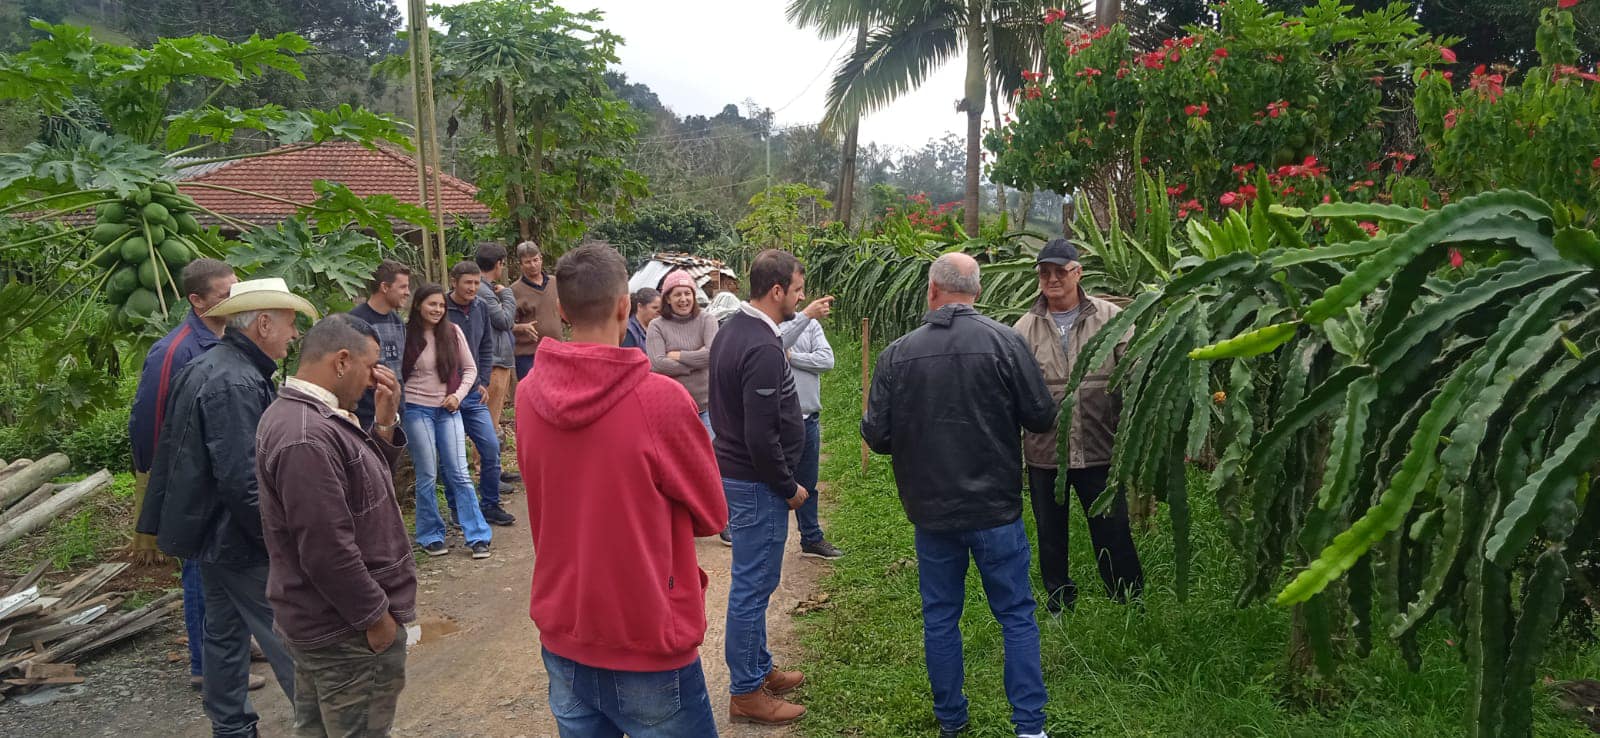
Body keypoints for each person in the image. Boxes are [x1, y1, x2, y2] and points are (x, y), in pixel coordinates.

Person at [516, 242, 727, 736]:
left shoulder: (527, 397)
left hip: (565, 634)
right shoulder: (659, 400)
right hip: (646, 635)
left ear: (562, 310)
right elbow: (713, 514)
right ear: (624, 306)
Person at [860, 253, 1057, 738]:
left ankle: (952, 721)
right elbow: (1041, 417)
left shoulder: (896, 354)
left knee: (941, 618)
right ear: (978, 291)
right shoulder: (1006, 343)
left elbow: (878, 437)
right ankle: (1029, 726)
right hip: (996, 511)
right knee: (1015, 615)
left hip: (931, 512)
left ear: (931, 290)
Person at [136, 277, 318, 738]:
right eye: (289, 325)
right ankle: (323, 726)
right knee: (289, 635)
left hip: (210, 533)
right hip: (236, 536)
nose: (293, 336)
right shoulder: (235, 381)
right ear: (262, 324)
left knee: (222, 634)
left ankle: (231, 726)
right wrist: (275, 540)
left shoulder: (213, 366)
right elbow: (243, 479)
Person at [256, 314, 416, 737]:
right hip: (344, 632)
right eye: (370, 368)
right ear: (342, 361)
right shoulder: (306, 436)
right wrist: (376, 619)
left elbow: (361, 489)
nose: (373, 381)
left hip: (324, 625)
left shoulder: (309, 417)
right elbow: (327, 549)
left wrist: (383, 424)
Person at [124, 259, 245, 691]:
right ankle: (207, 665)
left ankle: (232, 647)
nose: (235, 300)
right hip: (190, 481)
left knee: (229, 562)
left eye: (236, 290)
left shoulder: (230, 340)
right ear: (196, 301)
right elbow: (148, 422)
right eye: (224, 295)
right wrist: (166, 478)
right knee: (199, 569)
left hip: (222, 475)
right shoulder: (174, 352)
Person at [707, 249, 812, 726]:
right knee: (753, 587)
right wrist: (788, 486)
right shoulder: (762, 346)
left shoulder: (736, 330)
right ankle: (746, 693)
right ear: (776, 291)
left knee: (756, 583)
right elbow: (759, 434)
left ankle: (758, 666)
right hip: (756, 484)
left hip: (743, 478)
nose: (801, 297)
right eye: (797, 290)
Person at [1013, 239, 1145, 614]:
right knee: (1050, 533)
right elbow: (1015, 388)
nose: (1052, 279)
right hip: (1044, 451)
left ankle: (1127, 599)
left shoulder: (1111, 317)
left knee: (1112, 526)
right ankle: (1059, 602)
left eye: (1059, 271)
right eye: (1044, 272)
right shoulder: (1024, 328)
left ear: (1077, 272)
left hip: (1099, 443)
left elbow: (1133, 370)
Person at [403, 283, 494, 560]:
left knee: (459, 472)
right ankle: (430, 534)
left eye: (441, 305)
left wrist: (458, 395)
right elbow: (399, 373)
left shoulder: (452, 332)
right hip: (417, 408)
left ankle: (477, 535)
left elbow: (470, 369)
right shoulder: (407, 335)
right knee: (428, 473)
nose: (438, 310)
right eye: (432, 304)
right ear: (418, 305)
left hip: (448, 408)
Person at [445, 261, 515, 527]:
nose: (473, 288)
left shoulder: (481, 307)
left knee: (489, 446)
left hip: (473, 393)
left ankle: (490, 504)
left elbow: (486, 346)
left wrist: (483, 380)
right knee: (452, 456)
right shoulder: (441, 308)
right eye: (468, 283)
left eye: (476, 283)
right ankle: (456, 509)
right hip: (447, 395)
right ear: (454, 282)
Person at [778, 296, 844, 560]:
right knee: (777, 483)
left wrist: (793, 357)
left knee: (808, 482)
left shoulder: (812, 327)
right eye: (797, 290)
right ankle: (771, 542)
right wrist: (805, 315)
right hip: (780, 421)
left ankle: (811, 537)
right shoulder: (772, 325)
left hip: (808, 417)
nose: (801, 297)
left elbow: (827, 361)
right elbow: (775, 344)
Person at [646, 270, 719, 436]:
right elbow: (657, 364)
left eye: (688, 293)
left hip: (706, 407)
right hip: (671, 408)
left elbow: (712, 355)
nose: (684, 299)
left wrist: (678, 355)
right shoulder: (657, 326)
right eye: (677, 294)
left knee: (711, 457)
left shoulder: (707, 320)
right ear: (668, 299)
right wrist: (696, 363)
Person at [475, 243, 523, 485]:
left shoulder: (486, 289)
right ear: (499, 264)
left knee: (492, 419)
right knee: (487, 419)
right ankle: (486, 472)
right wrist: (507, 295)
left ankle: (494, 469)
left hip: (499, 360)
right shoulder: (484, 291)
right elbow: (504, 320)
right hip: (492, 363)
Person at [349, 260, 412, 430]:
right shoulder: (356, 321)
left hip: (395, 411)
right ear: (385, 287)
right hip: (366, 415)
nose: (408, 292)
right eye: (403, 287)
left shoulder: (398, 321)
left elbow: (399, 367)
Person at [511, 240, 561, 380]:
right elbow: (505, 324)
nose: (533, 265)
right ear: (520, 265)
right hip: (528, 355)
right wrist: (521, 327)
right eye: (527, 262)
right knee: (532, 396)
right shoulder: (515, 290)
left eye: (535, 260)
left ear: (541, 259)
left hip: (555, 350)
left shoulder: (555, 283)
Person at [620, 287, 661, 351]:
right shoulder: (629, 332)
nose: (659, 312)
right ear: (640, 306)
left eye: (661, 308)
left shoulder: (657, 329)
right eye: (654, 308)